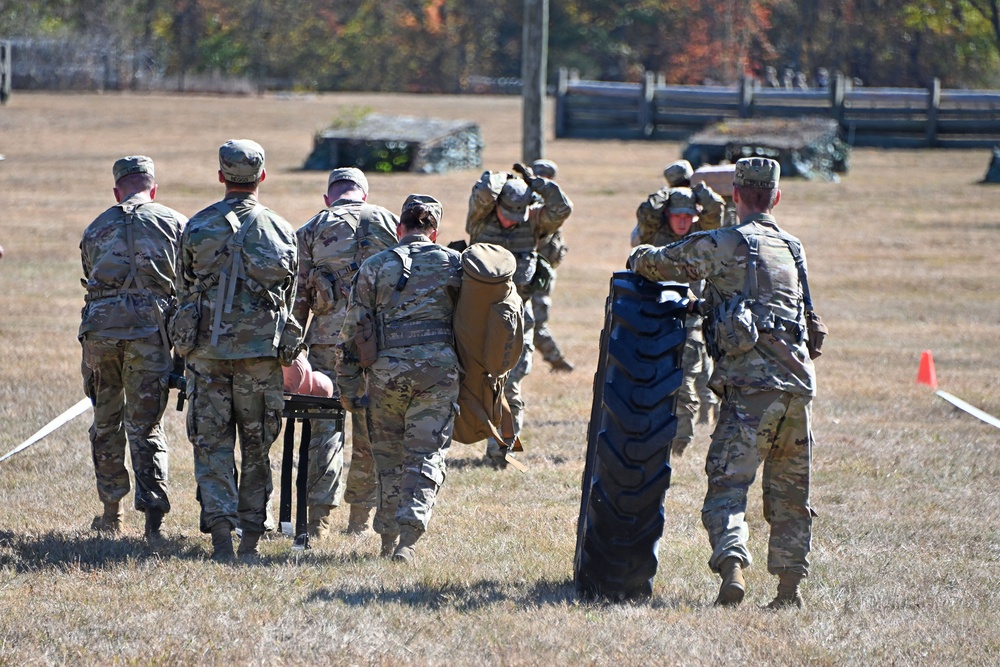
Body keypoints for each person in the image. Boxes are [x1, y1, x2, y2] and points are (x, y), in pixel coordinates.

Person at [628, 157, 819, 610]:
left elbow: (663, 264)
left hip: (749, 390)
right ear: (775, 197)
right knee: (791, 494)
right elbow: (811, 321)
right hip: (797, 390)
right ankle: (788, 592)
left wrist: (638, 255)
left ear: (736, 196)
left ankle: (732, 570)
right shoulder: (794, 248)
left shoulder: (725, 242)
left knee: (728, 487)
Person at [176, 140, 301, 562]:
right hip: (261, 358)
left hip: (207, 357)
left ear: (221, 176)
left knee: (211, 445)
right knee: (256, 446)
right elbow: (291, 293)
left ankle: (222, 537)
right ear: (261, 177)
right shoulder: (282, 229)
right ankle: (250, 537)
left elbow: (183, 288)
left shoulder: (196, 227)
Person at [338, 194, 462, 563]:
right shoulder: (455, 264)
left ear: (399, 228)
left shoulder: (376, 266)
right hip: (438, 373)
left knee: (387, 457)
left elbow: (353, 330)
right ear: (434, 232)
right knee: (425, 454)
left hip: (386, 374)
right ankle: (409, 537)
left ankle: (387, 540)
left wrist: (347, 387)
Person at [79, 155, 186, 539]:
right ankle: (153, 521)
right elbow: (187, 286)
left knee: (106, 422)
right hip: (150, 334)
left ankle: (112, 514)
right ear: (153, 188)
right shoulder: (175, 224)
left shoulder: (96, 227)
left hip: (101, 334)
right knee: (146, 426)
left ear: (116, 191)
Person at [293, 167, 398, 540]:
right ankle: (359, 523)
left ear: (329, 198)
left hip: (327, 346)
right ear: (364, 196)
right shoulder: (390, 221)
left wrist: (294, 348)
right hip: (379, 346)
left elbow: (299, 296)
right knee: (371, 431)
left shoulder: (311, 228)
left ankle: (318, 521)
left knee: (325, 432)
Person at [466, 163, 572, 464]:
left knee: (511, 382)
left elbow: (562, 208)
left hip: (517, 314)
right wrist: (504, 180)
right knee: (481, 383)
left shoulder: (535, 221)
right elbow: (483, 190)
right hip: (479, 314)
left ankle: (502, 451)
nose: (512, 221)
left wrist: (535, 182)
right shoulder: (479, 218)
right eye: (507, 213)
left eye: (518, 215)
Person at [632, 181, 725, 456]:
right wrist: (665, 192)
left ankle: (679, 446)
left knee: (684, 385)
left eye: (688, 216)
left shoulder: (701, 235)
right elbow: (645, 212)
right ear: (667, 216)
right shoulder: (653, 233)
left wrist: (698, 187)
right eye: (677, 216)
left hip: (690, 318)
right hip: (651, 317)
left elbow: (716, 209)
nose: (683, 222)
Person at [529, 159, 574, 373]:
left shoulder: (553, 201)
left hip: (541, 273)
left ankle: (556, 360)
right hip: (530, 271)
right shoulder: (531, 200)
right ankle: (556, 360)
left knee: (535, 323)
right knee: (533, 323)